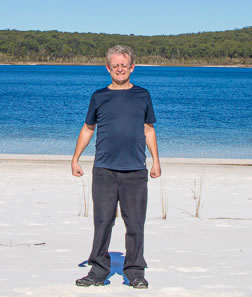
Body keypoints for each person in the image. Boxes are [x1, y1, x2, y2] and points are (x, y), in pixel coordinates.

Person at [71, 45, 161, 289]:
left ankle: (135, 272)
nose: (120, 69)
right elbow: (88, 128)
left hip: (135, 170)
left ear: (132, 67)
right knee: (102, 222)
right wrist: (75, 158)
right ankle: (98, 271)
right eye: (115, 65)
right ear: (108, 68)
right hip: (104, 170)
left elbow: (148, 129)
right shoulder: (99, 96)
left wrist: (156, 161)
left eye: (124, 65)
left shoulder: (143, 95)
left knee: (135, 224)